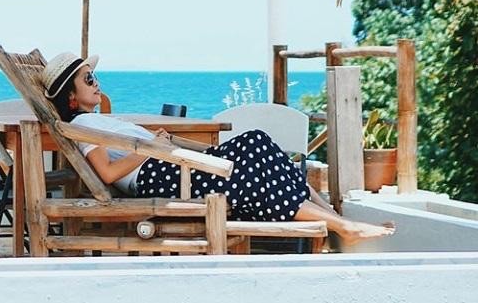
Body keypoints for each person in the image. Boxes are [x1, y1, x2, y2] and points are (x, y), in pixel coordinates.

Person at [41, 51, 395, 245]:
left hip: (163, 164)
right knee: (250, 179)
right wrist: (152, 147)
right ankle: (341, 226)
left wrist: (154, 143)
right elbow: (106, 173)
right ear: (71, 97)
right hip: (158, 176)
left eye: (94, 75)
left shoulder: (94, 120)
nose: (96, 81)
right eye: (88, 79)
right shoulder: (82, 124)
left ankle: (334, 220)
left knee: (255, 140)